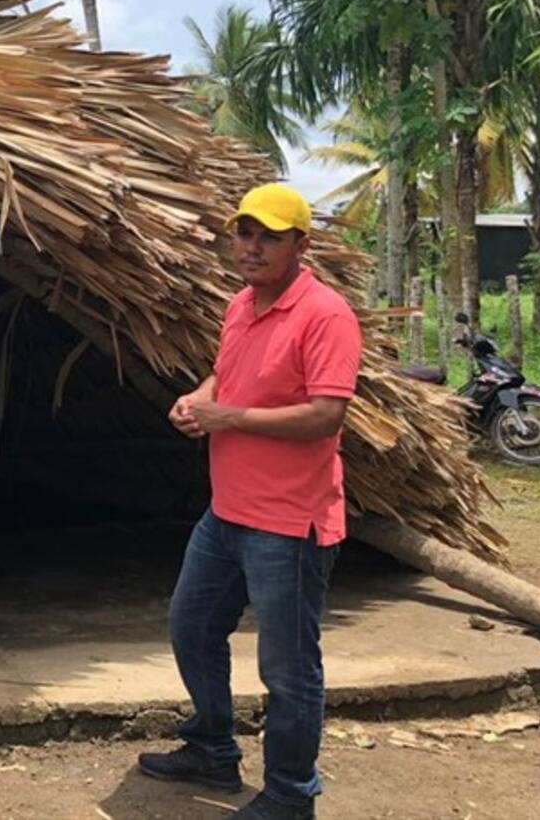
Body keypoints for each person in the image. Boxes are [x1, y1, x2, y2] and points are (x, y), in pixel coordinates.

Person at [138, 184, 362, 819]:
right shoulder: (241, 304)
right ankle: (212, 746)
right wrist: (198, 398)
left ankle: (292, 795)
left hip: (289, 524)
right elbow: (227, 377)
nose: (252, 246)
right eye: (244, 233)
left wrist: (227, 415)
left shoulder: (325, 315)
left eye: (269, 235)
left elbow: (325, 415)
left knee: (288, 669)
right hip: (227, 512)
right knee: (192, 626)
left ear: (301, 244)